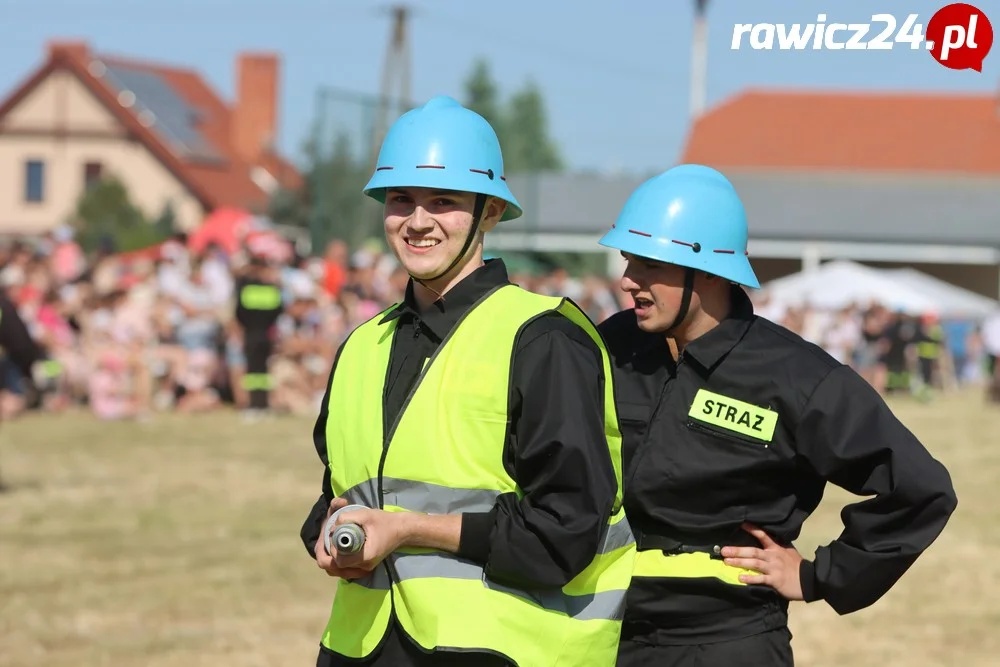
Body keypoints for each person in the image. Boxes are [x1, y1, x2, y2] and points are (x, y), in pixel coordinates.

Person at [299, 96, 635, 667]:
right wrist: (328, 532)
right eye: (400, 199)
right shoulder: (361, 346)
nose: (418, 221)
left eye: (444, 202)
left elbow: (566, 534)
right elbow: (343, 490)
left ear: (491, 213)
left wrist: (408, 531)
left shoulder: (543, 339)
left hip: (497, 651)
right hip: (361, 650)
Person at [596, 164, 958, 666]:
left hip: (727, 641)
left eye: (650, 265)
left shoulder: (797, 376)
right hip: (600, 635)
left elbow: (920, 489)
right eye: (627, 260)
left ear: (706, 271)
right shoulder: (608, 346)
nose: (627, 281)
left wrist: (817, 576)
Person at [234, 256, 283, 417]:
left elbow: (240, 312)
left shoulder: (245, 287)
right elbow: (278, 311)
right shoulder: (272, 289)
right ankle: (264, 404)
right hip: (266, 334)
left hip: (251, 333)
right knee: (264, 370)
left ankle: (253, 404)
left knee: (252, 371)